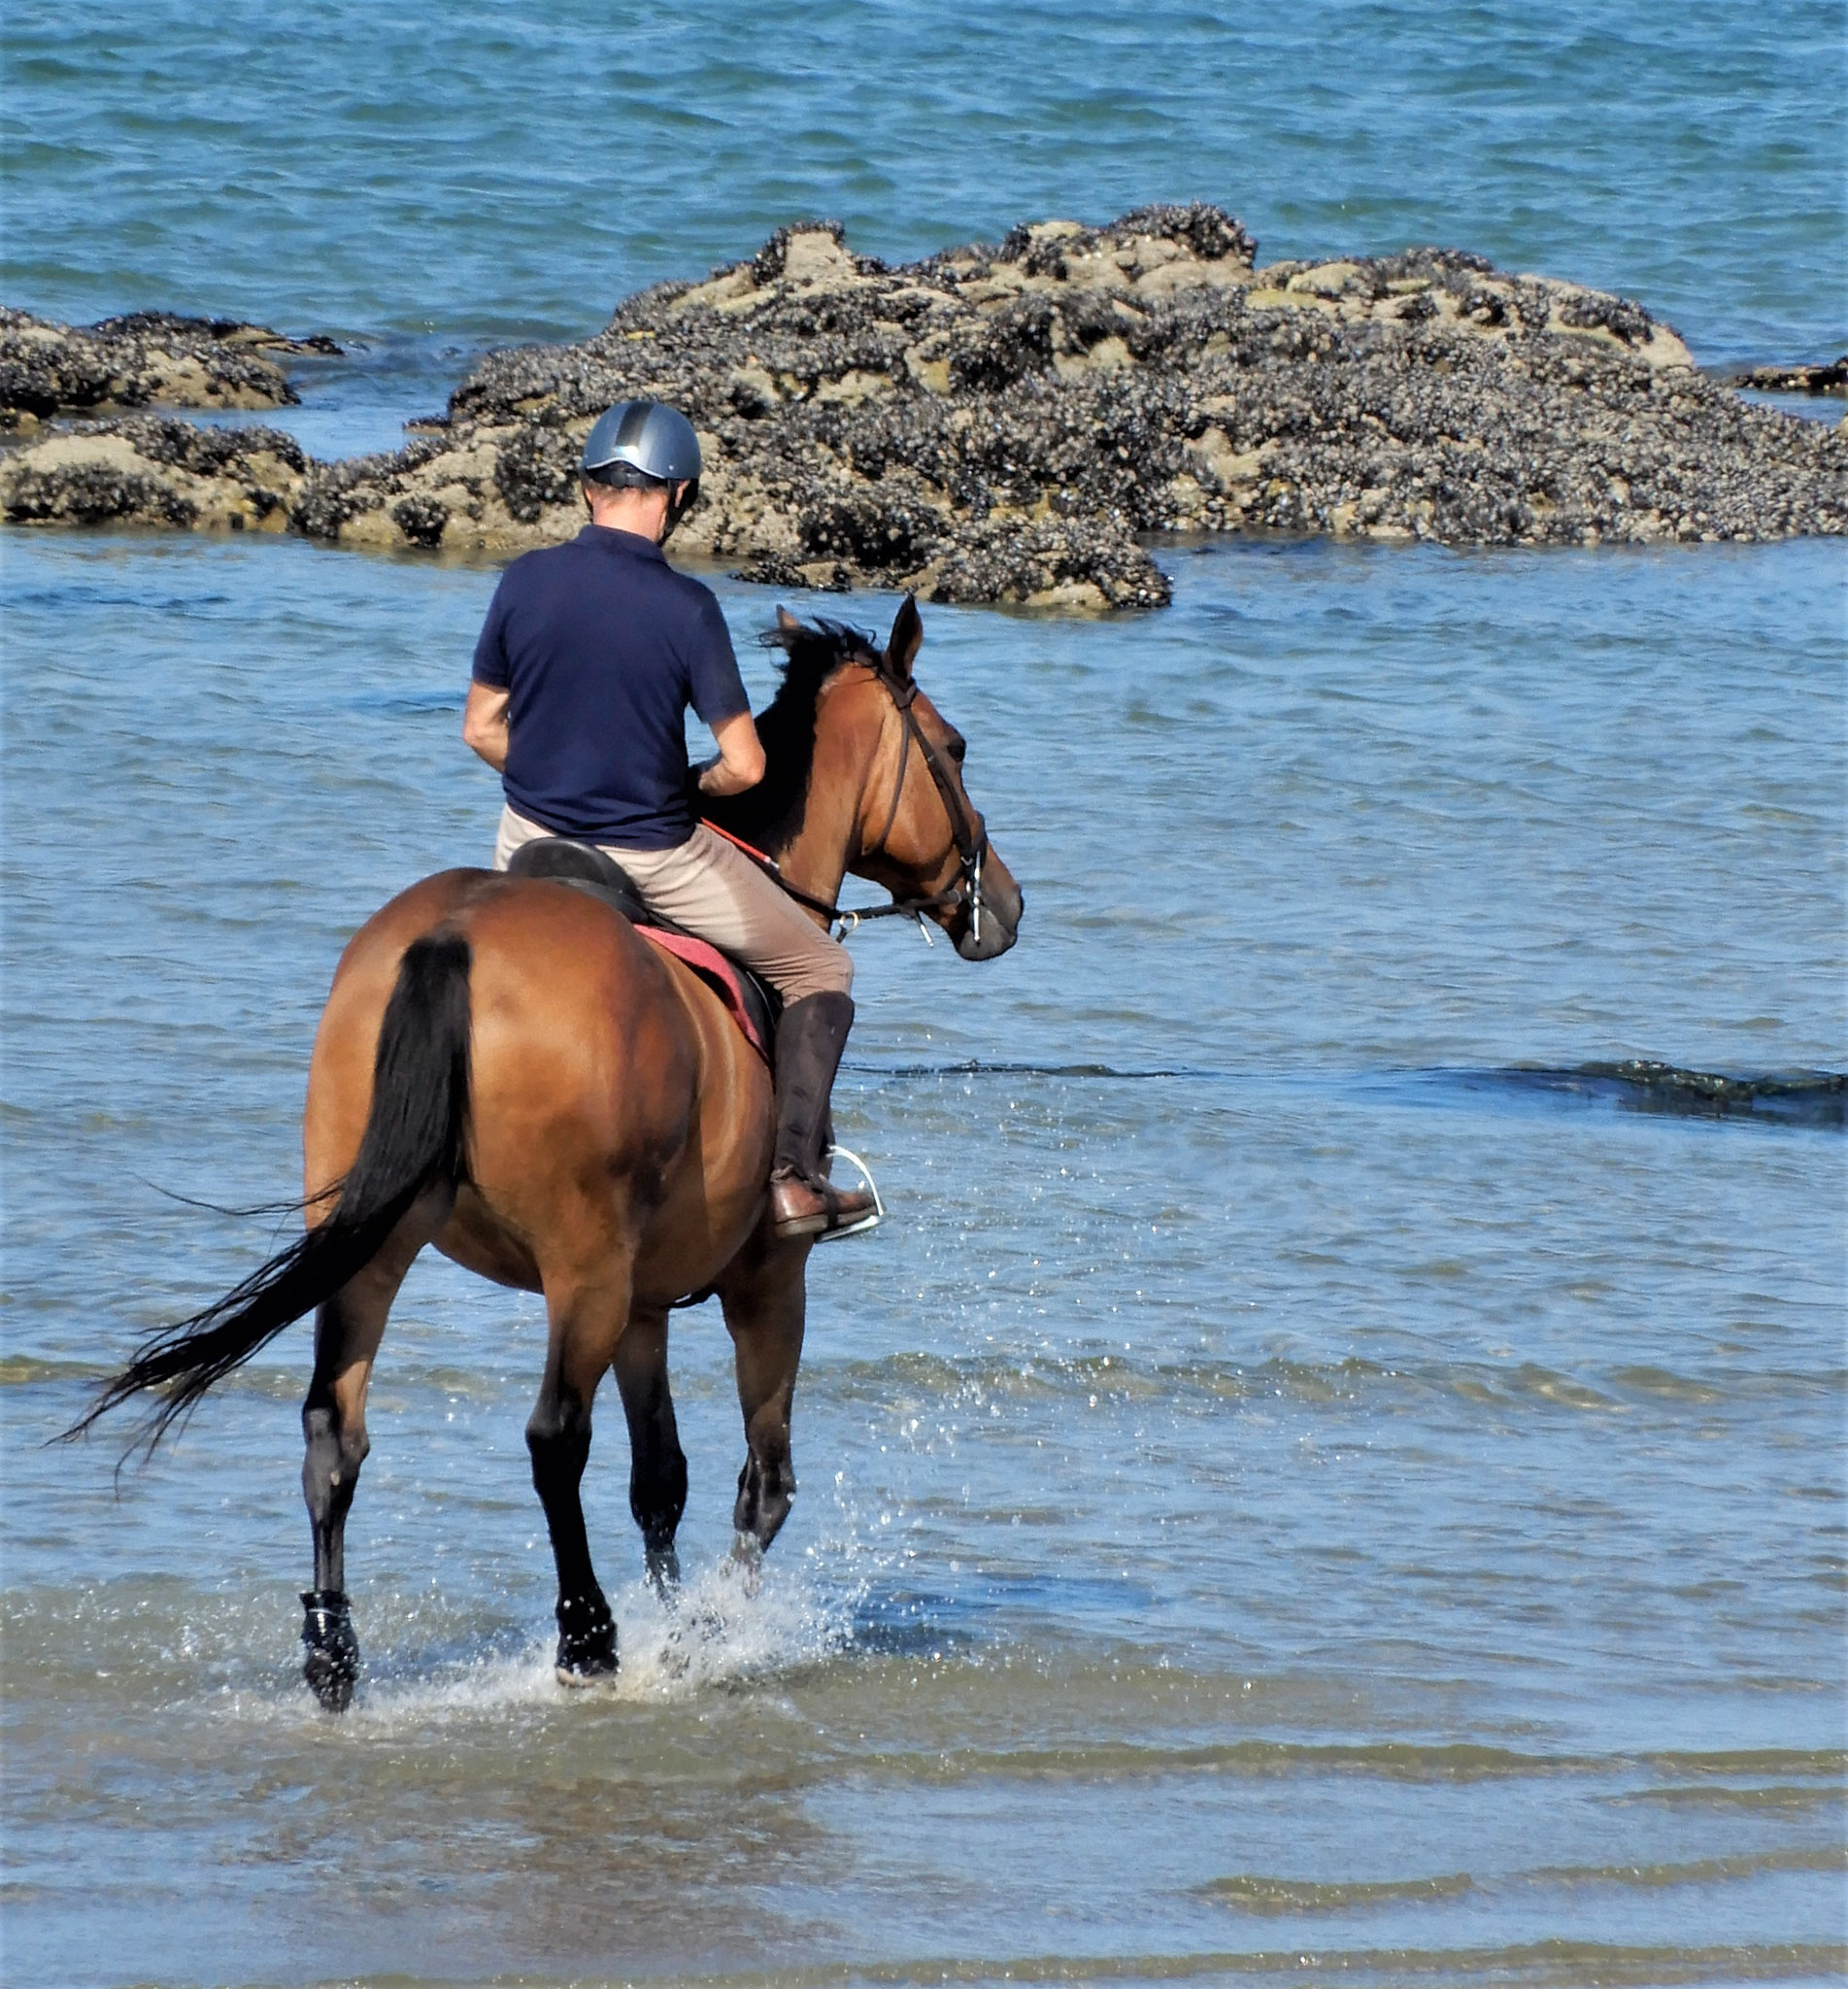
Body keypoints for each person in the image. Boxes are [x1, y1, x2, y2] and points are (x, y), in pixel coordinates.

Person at [461, 399, 876, 1240]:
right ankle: (794, 1181)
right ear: (677, 495)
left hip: (524, 841)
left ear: (589, 489)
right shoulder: (687, 608)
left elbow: (479, 727)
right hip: (651, 853)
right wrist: (680, 786)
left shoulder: (523, 580)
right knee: (820, 969)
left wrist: (553, 774)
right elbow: (747, 767)